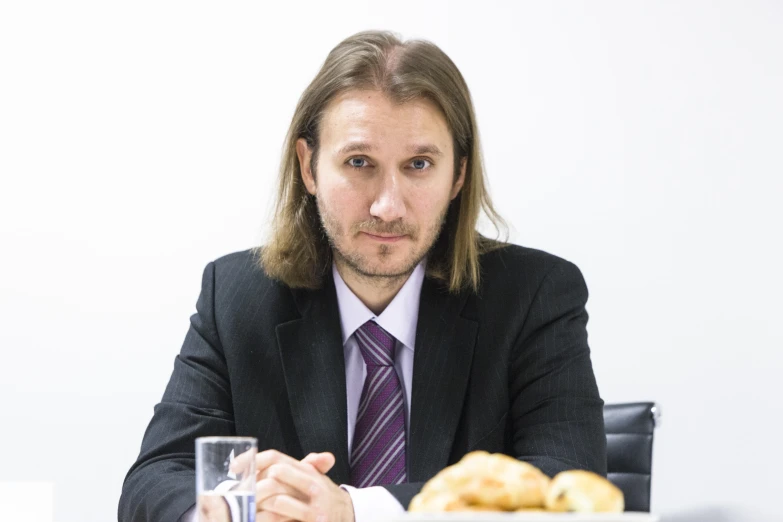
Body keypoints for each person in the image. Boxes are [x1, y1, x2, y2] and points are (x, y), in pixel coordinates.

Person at [118, 30, 607, 522]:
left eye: (419, 164)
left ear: (458, 174)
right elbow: (156, 478)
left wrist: (355, 509)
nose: (387, 206)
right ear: (309, 167)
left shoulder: (534, 295)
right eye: (358, 162)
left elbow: (567, 484)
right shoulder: (236, 297)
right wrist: (222, 512)